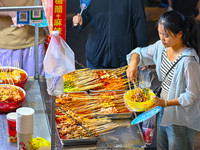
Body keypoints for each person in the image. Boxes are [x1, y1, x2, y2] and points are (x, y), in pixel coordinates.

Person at [126, 11, 200, 150]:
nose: (162, 38)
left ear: (179, 34)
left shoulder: (189, 61)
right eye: (160, 33)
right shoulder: (161, 46)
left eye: (166, 35)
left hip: (180, 117)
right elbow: (139, 52)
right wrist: (133, 64)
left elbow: (193, 95)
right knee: (161, 146)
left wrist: (165, 103)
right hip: (163, 109)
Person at [72, 0, 148, 69]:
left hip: (124, 59)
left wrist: (144, 53)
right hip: (96, 57)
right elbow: (83, 14)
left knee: (125, 84)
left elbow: (140, 23)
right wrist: (79, 20)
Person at [0, 0, 47, 76]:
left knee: (35, 83)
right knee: (10, 84)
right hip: (9, 42)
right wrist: (9, 12)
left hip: (35, 39)